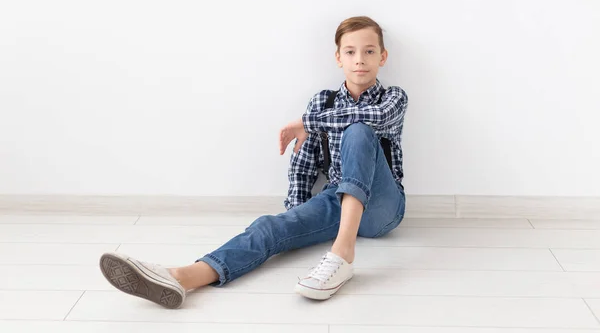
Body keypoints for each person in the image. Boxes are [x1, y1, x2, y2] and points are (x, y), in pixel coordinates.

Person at [98, 16, 408, 309]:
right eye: (350, 52)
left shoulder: (393, 98)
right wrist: (296, 215)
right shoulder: (321, 103)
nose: (360, 60)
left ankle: (342, 254)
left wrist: (307, 122)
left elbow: (377, 117)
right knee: (269, 226)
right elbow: (304, 163)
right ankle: (180, 277)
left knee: (359, 131)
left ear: (382, 57)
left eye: (369, 52)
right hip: (335, 198)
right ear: (338, 57)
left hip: (382, 205)